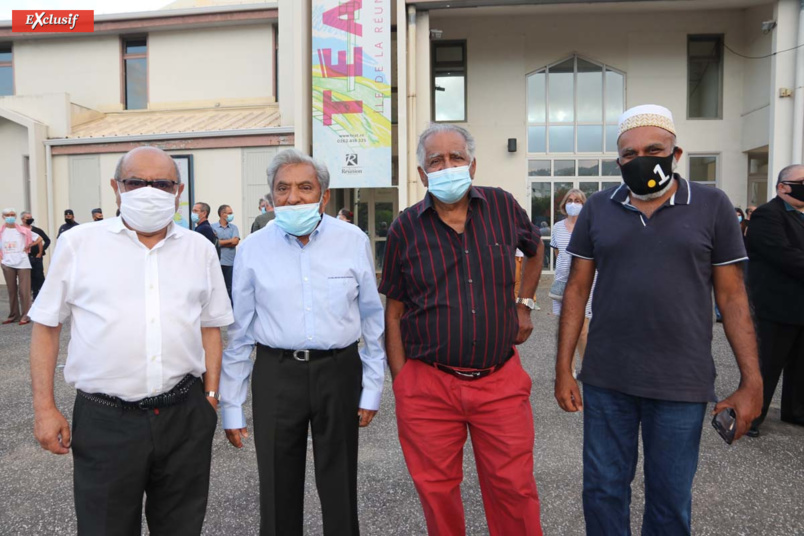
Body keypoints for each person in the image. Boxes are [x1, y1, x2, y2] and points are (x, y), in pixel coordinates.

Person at [555, 104, 762, 535]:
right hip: (608, 379)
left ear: (676, 153)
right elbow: (576, 287)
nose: (641, 159)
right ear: (619, 161)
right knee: (603, 491)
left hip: (680, 384)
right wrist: (564, 369)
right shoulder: (598, 207)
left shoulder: (711, 205)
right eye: (629, 154)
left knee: (669, 501)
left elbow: (733, 295)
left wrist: (751, 382)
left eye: (654, 149)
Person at [28, 146, 233, 535]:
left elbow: (211, 326)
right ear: (116, 187)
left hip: (183, 414)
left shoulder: (199, 250)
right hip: (105, 420)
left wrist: (209, 397)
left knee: (181, 527)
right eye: (136, 182)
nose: (149, 191)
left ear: (178, 190)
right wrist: (44, 408)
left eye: (162, 183)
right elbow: (46, 326)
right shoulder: (78, 245)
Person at [380, 123, 545, 536]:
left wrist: (524, 304)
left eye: (456, 158)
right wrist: (404, 383)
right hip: (429, 384)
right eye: (436, 160)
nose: (447, 166)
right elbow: (394, 311)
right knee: (436, 493)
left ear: (472, 166)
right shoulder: (404, 228)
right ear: (422, 174)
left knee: (515, 488)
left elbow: (535, 247)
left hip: (499, 380)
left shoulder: (503, 207)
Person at [220, 148, 385, 536]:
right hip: (276, 374)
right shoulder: (251, 249)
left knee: (340, 484)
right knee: (277, 488)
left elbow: (372, 319)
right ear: (271, 196)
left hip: (339, 371)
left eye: (305, 188)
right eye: (283, 189)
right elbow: (240, 333)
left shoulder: (352, 240)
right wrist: (232, 404)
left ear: (323, 196)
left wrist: (372, 388)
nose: (293, 198)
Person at [746, 164, 804, 436]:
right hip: (777, 305)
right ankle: (752, 416)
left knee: (800, 365)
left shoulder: (801, 216)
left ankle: (795, 411)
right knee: (767, 365)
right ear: (782, 187)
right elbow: (783, 255)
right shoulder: (768, 215)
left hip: (800, 306)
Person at [550, 189, 593, 375]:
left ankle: (587, 368)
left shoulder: (589, 226)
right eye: (570, 199)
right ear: (564, 204)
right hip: (562, 284)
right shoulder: (557, 227)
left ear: (584, 205)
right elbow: (557, 253)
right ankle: (568, 370)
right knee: (564, 329)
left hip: (584, 284)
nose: (573, 203)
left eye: (577, 200)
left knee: (582, 329)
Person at [2, 208, 41, 325]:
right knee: (11, 290)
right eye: (7, 215)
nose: (10, 216)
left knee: (24, 291)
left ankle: (26, 315)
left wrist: (28, 245)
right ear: (3, 217)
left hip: (22, 262)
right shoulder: (1, 231)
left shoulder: (23, 230)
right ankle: (14, 315)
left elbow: (39, 239)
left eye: (12, 215)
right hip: (7, 262)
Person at [212, 204, 239, 303]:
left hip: (230, 263)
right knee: (217, 289)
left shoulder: (234, 228)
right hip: (217, 262)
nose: (232, 215)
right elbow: (214, 243)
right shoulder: (212, 227)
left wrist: (221, 242)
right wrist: (229, 241)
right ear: (223, 214)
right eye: (230, 213)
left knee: (230, 288)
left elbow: (235, 242)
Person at [20, 211, 50, 301]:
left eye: (31, 217)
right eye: (27, 218)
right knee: (28, 276)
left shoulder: (37, 230)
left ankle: (41, 295)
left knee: (39, 275)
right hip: (25, 257)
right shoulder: (19, 230)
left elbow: (47, 240)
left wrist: (41, 252)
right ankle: (29, 295)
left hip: (37, 257)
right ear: (22, 219)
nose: (30, 219)